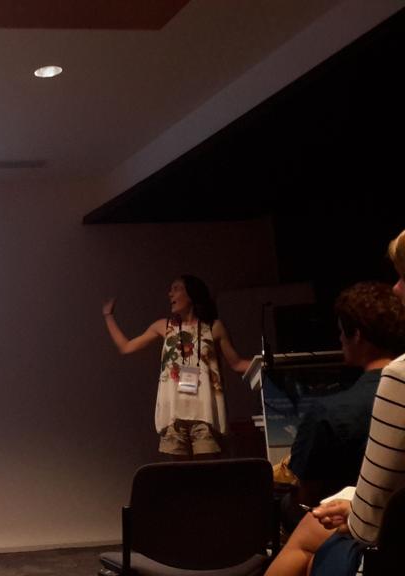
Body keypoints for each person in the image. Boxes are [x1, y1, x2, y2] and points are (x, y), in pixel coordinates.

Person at [266, 229, 405, 576]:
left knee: (307, 529)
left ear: (355, 334)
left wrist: (349, 511)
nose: (398, 290)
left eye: (404, 277)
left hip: (386, 549)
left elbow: (370, 517)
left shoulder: (396, 382)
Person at [280, 282, 405, 531]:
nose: (339, 338)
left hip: (351, 530)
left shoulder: (326, 413)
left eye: (341, 331)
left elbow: (306, 499)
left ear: (356, 334)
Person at [103, 275, 250, 459]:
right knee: (179, 477)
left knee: (208, 474)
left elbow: (236, 363)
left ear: (191, 294)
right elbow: (126, 347)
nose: (170, 294)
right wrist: (108, 316)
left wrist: (268, 363)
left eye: (176, 288)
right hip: (174, 416)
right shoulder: (164, 326)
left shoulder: (213, 327)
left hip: (205, 415)